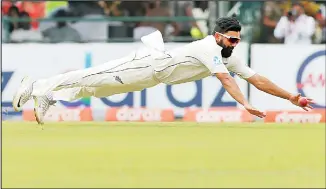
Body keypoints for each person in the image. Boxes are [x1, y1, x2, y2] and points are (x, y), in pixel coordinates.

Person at [13, 17, 314, 124]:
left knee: (98, 89)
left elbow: (256, 78)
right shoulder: (209, 46)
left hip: (150, 79)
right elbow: (225, 80)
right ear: (218, 35)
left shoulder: (228, 54)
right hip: (146, 64)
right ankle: (36, 85)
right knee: (91, 76)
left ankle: (51, 97)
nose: (235, 44)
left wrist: (291, 97)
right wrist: (245, 103)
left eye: (238, 40)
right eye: (232, 39)